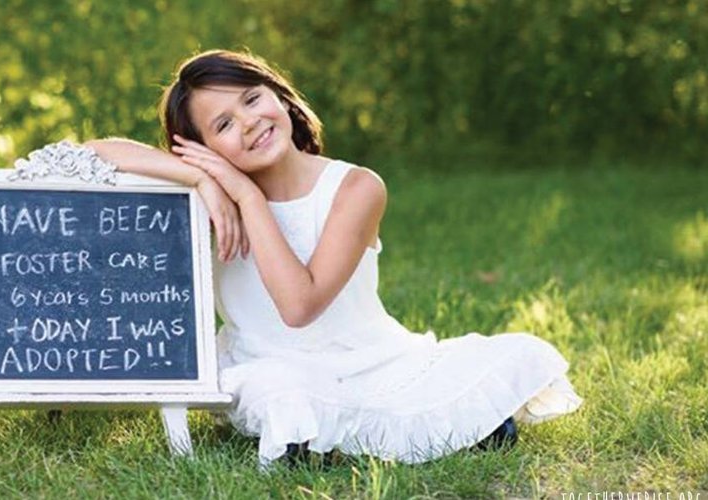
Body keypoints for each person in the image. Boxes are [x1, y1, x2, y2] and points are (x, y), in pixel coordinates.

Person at [85, 49, 582, 467]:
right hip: (269, 364)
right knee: (284, 395)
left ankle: (407, 420)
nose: (251, 122)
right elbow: (86, 153)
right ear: (203, 148)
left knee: (506, 359)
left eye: (253, 99)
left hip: (372, 359)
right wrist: (195, 177)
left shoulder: (355, 187)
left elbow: (300, 306)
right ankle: (316, 432)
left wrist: (248, 198)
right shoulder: (207, 193)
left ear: (279, 95)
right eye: (224, 124)